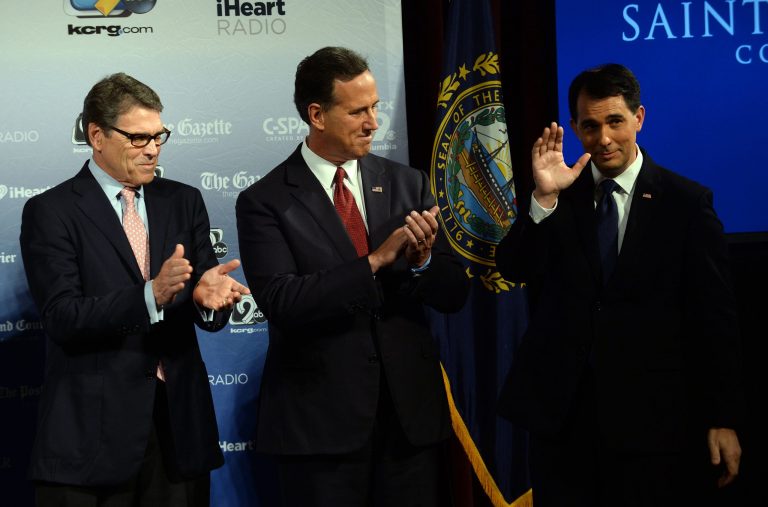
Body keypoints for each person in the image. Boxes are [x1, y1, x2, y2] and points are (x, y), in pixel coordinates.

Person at [495, 63, 743, 507]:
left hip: (654, 426)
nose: (603, 138)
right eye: (589, 126)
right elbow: (514, 267)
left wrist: (722, 417)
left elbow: (714, 320)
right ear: (574, 127)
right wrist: (544, 198)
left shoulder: (686, 204)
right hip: (563, 424)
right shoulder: (558, 196)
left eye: (615, 122)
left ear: (639, 118)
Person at [235, 46, 469, 506]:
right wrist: (375, 262)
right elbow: (283, 301)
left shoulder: (408, 183)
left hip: (408, 423)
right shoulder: (264, 201)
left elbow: (454, 293)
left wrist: (422, 262)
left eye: (375, 107)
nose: (373, 122)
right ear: (317, 114)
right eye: (358, 110)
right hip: (320, 429)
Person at [20, 72, 250, 507]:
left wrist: (207, 301)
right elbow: (62, 317)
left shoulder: (183, 200)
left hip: (178, 430)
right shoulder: (51, 211)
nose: (152, 149)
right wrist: (151, 296)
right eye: (138, 138)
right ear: (97, 136)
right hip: (91, 439)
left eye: (159, 136)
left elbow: (206, 293)